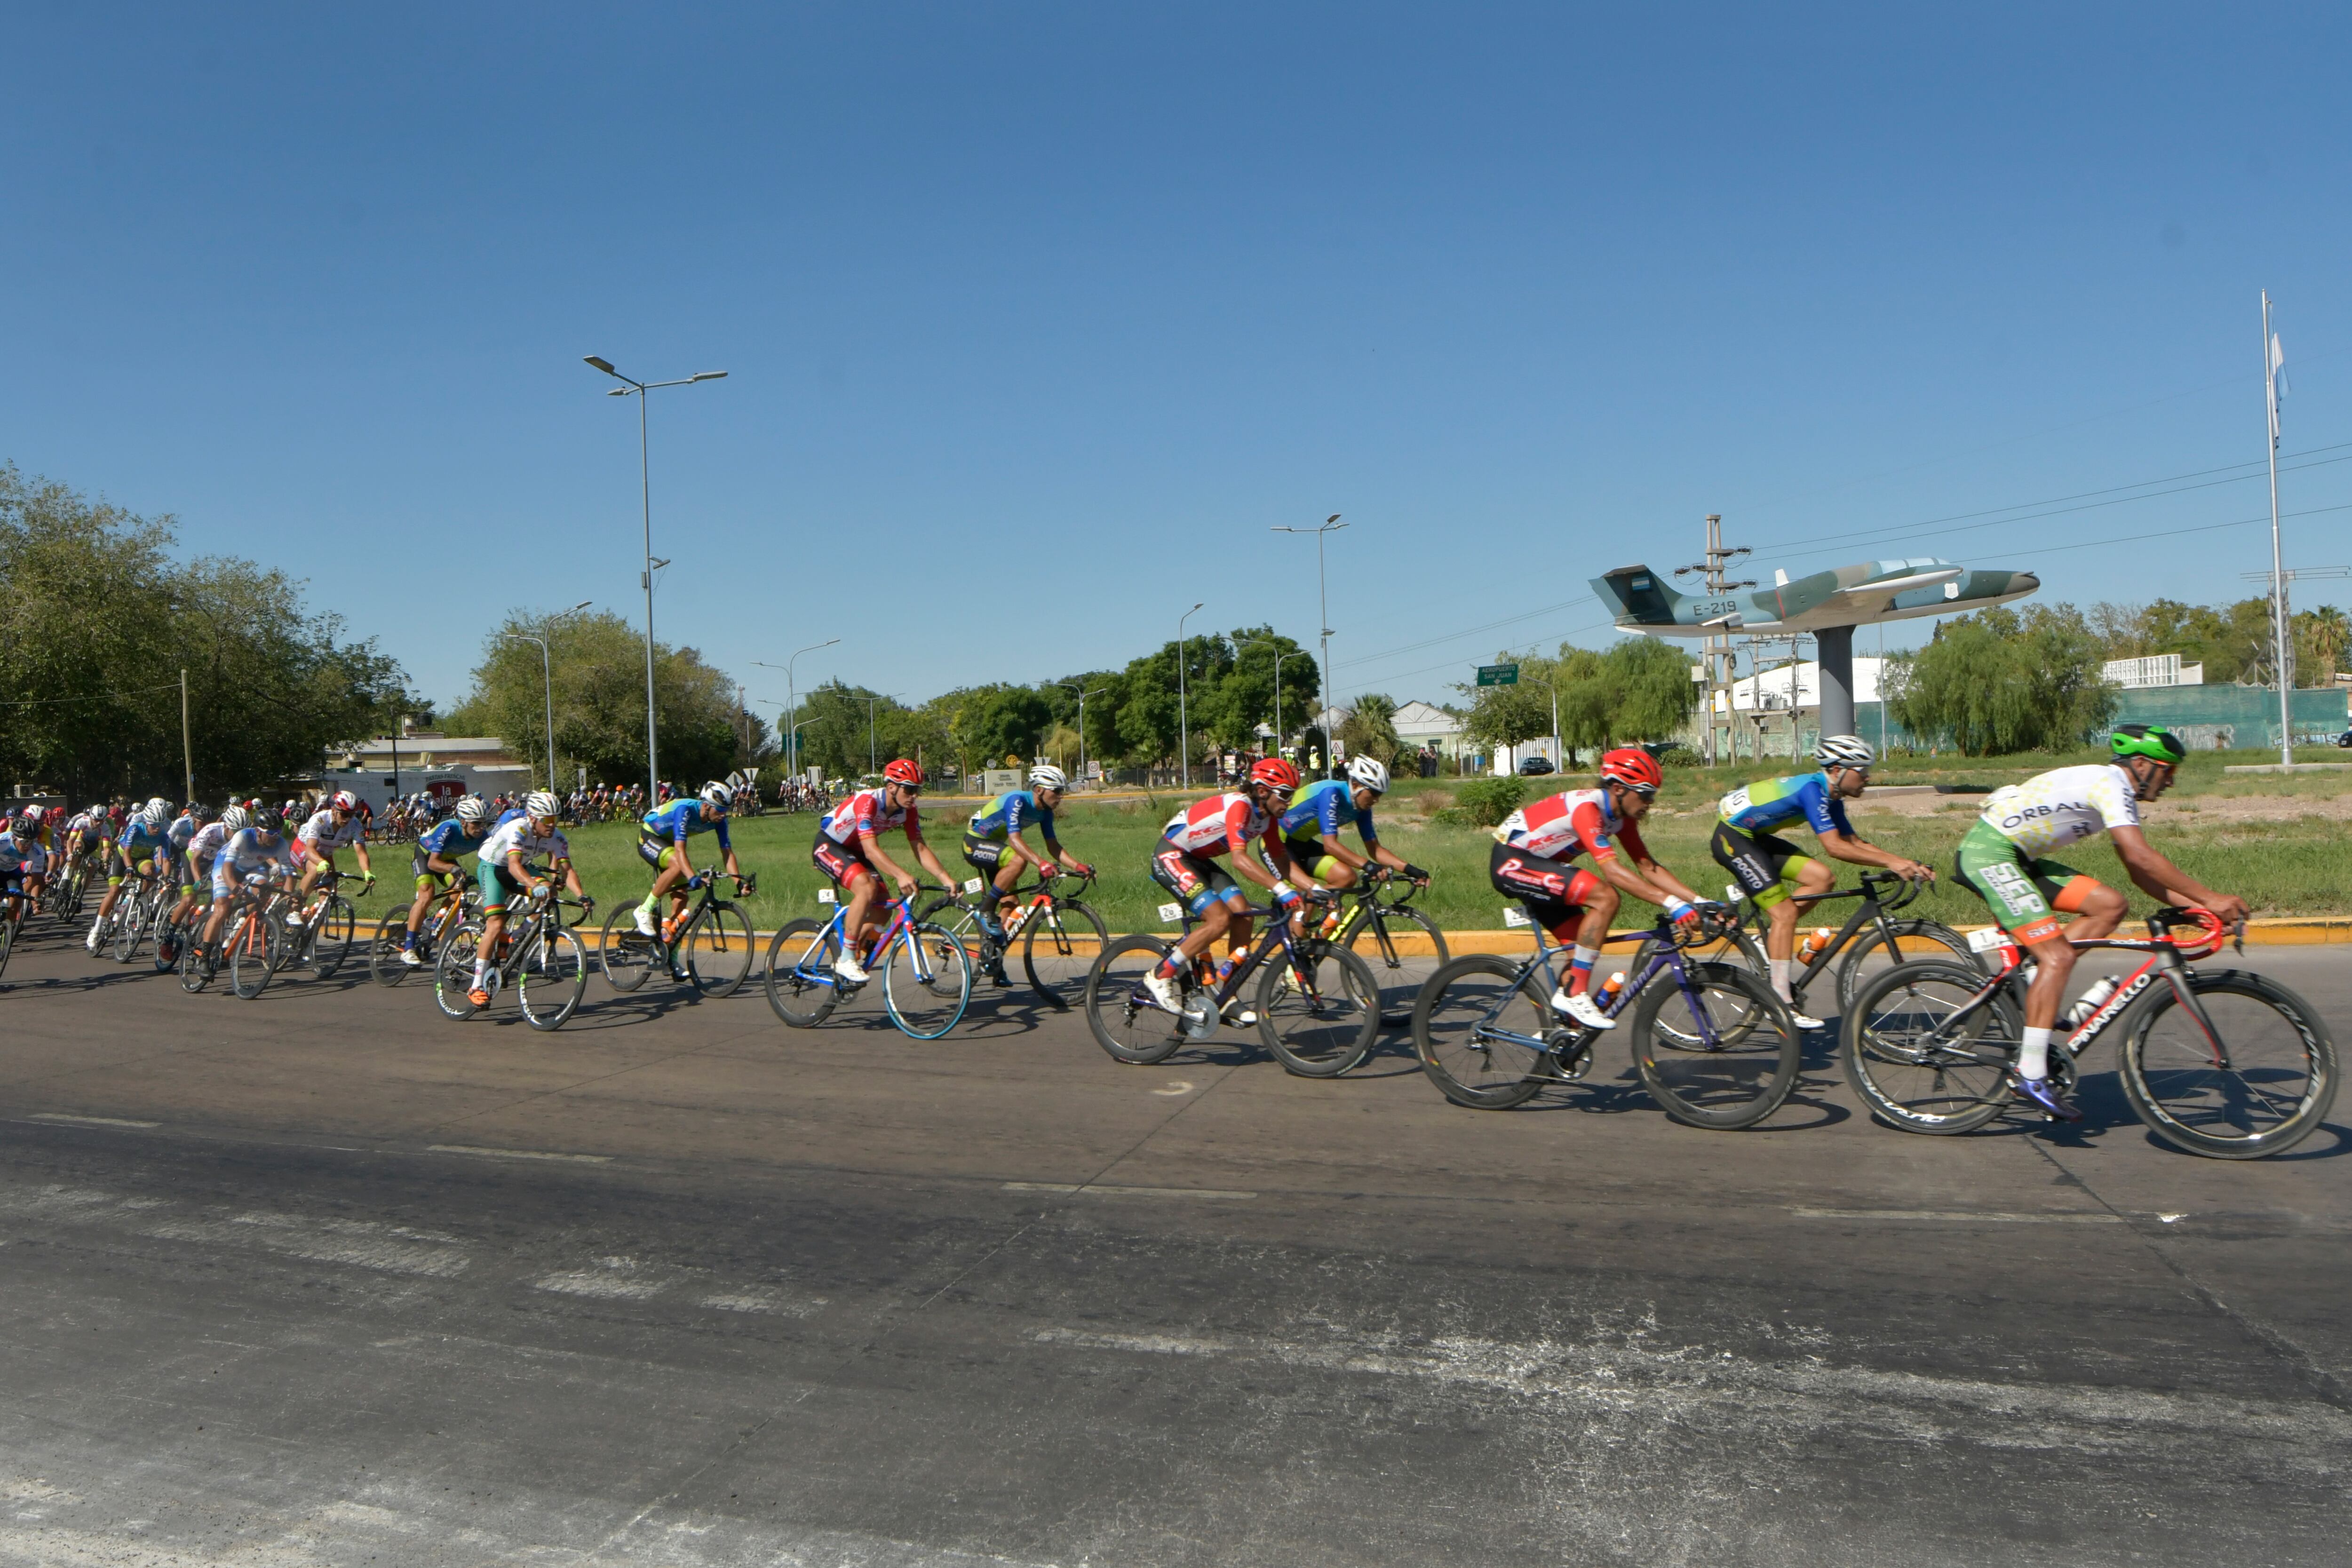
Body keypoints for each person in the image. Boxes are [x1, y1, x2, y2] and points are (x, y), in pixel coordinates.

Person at [1951, 725, 2247, 1120]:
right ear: (2140, 764)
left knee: (2109, 906)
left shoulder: (2115, 789)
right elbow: (2142, 857)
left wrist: (2201, 910)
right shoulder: (2112, 785)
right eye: (2167, 770)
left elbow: (2139, 875)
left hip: (2019, 858)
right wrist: (2212, 898)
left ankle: (2036, 975)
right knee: (2058, 957)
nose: (2172, 780)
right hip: (1990, 855)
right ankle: (2030, 1072)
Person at [1711, 735, 1932, 1028]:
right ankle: (1780, 1003)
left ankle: (1768, 941)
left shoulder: (1832, 796)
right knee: (1786, 913)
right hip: (1733, 839)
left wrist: (1904, 862)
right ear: (1839, 770)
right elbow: (1835, 848)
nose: (1868, 777)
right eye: (1862, 769)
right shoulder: (1813, 791)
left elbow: (1853, 841)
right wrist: (1891, 862)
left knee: (1822, 879)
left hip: (1756, 838)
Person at [1490, 749, 1711, 1030]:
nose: (1650, 802)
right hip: (1512, 862)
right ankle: (1574, 995)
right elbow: (1613, 872)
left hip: (1545, 869)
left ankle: (1559, 1042)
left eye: (1653, 794)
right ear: (1618, 788)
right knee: (1605, 897)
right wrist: (1672, 904)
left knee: (1579, 952)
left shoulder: (1622, 818)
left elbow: (1648, 867)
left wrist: (1698, 900)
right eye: (1644, 794)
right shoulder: (1588, 809)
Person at [1142, 756, 1303, 1015]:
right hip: (1171, 854)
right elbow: (1239, 860)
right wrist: (1282, 890)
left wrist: (1311, 889)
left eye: (1291, 795)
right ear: (1263, 791)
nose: (1290, 802)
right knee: (1219, 919)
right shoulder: (1240, 807)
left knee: (1244, 915)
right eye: (1285, 795)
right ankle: (1161, 974)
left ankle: (1228, 997)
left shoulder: (1268, 817)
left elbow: (1280, 859)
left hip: (1198, 860)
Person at [811, 759, 957, 985]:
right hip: (830, 845)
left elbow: (919, 847)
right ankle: (846, 958)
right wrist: (900, 875)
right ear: (891, 787)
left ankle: (853, 949)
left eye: (917, 790)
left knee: (885, 908)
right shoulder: (868, 801)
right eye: (909, 790)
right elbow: (871, 850)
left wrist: (946, 879)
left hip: (855, 851)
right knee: (866, 888)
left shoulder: (908, 812)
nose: (914, 796)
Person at [962, 764, 1092, 980]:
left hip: (996, 849)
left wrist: (1078, 866)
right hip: (975, 843)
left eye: (1062, 791)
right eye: (1057, 791)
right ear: (1040, 789)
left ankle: (993, 960)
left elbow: (1053, 846)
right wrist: (1041, 864)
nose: (1061, 796)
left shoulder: (1045, 813)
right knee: (1018, 860)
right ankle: (986, 909)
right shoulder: (1017, 800)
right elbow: (1015, 840)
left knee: (1012, 906)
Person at [467, 791, 588, 1009]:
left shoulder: (557, 836)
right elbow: (513, 866)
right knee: (495, 924)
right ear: (533, 818)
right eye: (547, 820)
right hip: (494, 867)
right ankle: (476, 986)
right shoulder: (519, 829)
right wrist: (534, 886)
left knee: (550, 891)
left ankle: (517, 937)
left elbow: (567, 870)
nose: (552, 825)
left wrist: (582, 896)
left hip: (522, 866)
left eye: (556, 819)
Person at [1277, 756, 1426, 904]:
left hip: (1301, 844)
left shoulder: (1362, 809)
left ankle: (1314, 925)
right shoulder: (1331, 793)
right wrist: (1368, 866)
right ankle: (1293, 924)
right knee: (1305, 898)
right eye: (1374, 793)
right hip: (1277, 844)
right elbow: (1330, 845)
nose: (1377, 800)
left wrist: (1411, 870)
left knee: (1347, 878)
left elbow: (1375, 849)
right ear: (1356, 785)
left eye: (1380, 795)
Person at [633, 781, 744, 941]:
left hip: (668, 844)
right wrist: (692, 877)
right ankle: (644, 910)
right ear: (706, 806)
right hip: (650, 836)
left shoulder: (719, 821)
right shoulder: (684, 810)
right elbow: (680, 851)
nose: (722, 815)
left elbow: (727, 853)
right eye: (720, 810)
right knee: (678, 866)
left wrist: (739, 883)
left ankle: (669, 951)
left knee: (681, 899)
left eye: (725, 811)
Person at [401, 796, 489, 967]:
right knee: (426, 895)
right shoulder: (449, 828)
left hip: (447, 859)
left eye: (483, 823)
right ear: (463, 822)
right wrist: (452, 869)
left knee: (459, 891)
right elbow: (433, 863)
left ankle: (435, 922)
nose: (480, 828)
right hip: (426, 856)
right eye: (476, 823)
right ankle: (409, 949)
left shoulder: (483, 836)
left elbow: (487, 860)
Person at [198, 807, 297, 958]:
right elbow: (227, 869)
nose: (276, 836)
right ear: (258, 831)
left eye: (278, 831)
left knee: (264, 889)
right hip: (226, 865)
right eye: (271, 833)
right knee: (222, 907)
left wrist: (289, 898)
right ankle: (204, 957)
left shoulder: (281, 844)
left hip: (252, 868)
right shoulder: (243, 837)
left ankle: (243, 914)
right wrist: (236, 889)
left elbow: (288, 876)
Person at [87, 798, 173, 954]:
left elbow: (166, 860)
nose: (156, 829)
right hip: (123, 857)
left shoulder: (163, 836)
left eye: (159, 826)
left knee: (151, 872)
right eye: (154, 825)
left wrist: (167, 878)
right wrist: (128, 868)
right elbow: (127, 851)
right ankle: (96, 929)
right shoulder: (136, 829)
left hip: (142, 858)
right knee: (114, 891)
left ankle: (137, 898)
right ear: (147, 822)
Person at [292, 790, 375, 926]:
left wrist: (367, 872)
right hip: (303, 847)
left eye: (351, 815)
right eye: (344, 814)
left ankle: (308, 921)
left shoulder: (355, 825)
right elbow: (310, 849)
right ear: (334, 810)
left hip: (325, 853)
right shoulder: (320, 819)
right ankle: (295, 910)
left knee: (328, 896)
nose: (347, 819)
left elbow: (361, 852)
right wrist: (321, 862)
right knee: (314, 870)